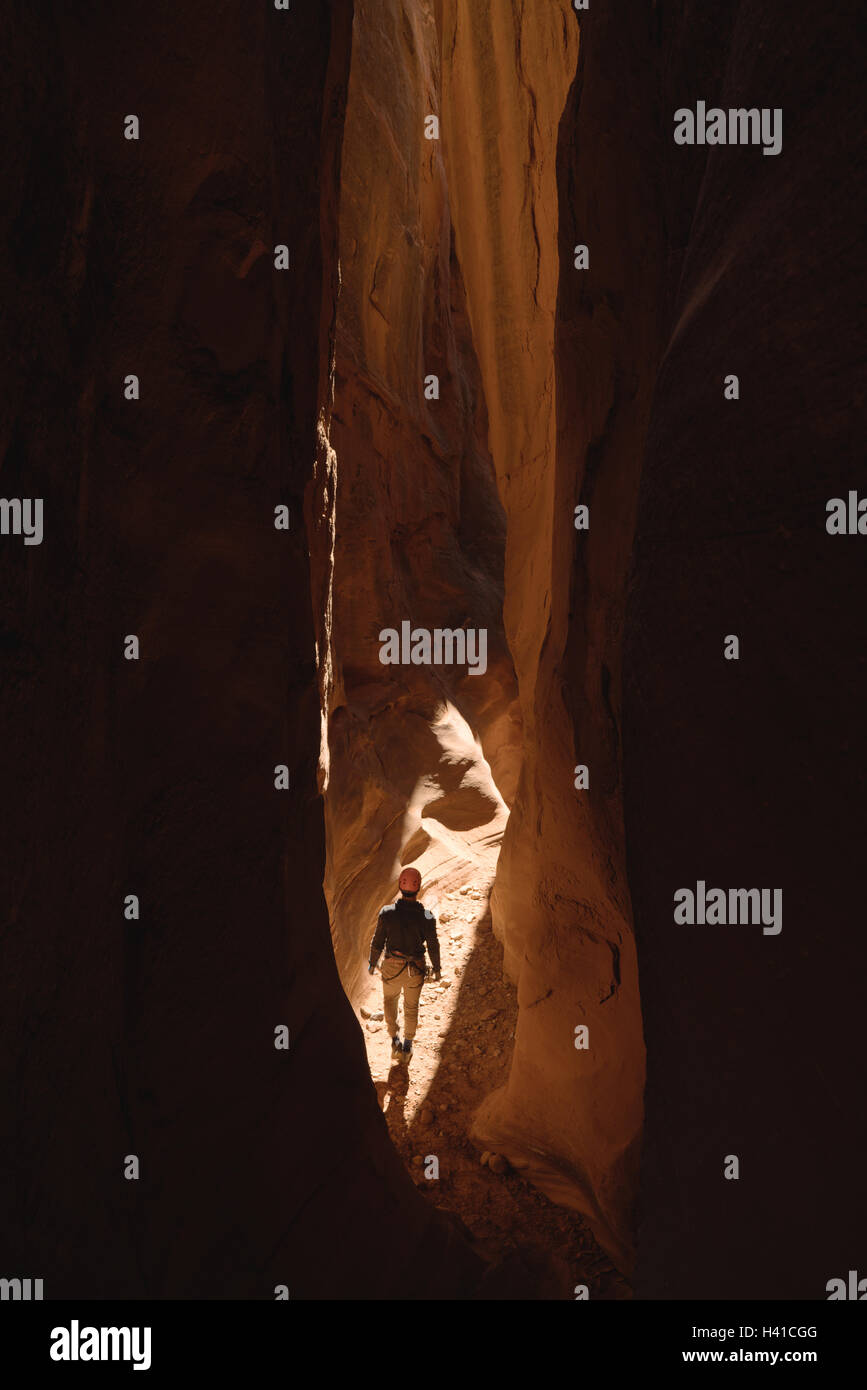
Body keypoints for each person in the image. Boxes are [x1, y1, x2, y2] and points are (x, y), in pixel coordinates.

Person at [368, 867, 440, 1058]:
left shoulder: (387, 913)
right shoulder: (427, 917)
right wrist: (437, 969)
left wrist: (372, 963)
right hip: (415, 970)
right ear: (419, 887)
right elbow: (433, 945)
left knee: (390, 1001)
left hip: (391, 968)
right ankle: (407, 1045)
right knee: (411, 1007)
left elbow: (378, 941)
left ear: (400, 885)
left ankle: (394, 1040)